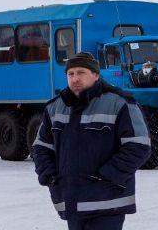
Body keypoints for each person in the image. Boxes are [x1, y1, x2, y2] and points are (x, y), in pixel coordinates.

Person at [33, 52, 151, 230]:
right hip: (71, 201)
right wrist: (50, 177)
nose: (75, 79)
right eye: (70, 74)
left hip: (107, 203)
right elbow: (41, 147)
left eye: (81, 73)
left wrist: (107, 176)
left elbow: (139, 146)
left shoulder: (120, 103)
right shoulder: (55, 107)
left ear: (96, 75)